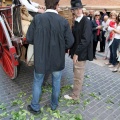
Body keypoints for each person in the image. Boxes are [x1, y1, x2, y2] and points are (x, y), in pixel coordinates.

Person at [26, 0, 74, 114]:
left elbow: (29, 38)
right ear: (57, 5)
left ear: (46, 5)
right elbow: (70, 42)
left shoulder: (37, 19)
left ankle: (35, 107)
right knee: (56, 82)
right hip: (57, 59)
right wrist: (61, 47)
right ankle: (53, 105)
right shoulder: (63, 21)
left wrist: (39, 43)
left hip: (41, 58)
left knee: (37, 82)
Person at [64, 0, 93, 100]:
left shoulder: (86, 21)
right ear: (73, 11)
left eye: (79, 8)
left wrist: (76, 53)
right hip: (76, 51)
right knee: (76, 71)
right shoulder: (76, 21)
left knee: (78, 74)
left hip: (81, 53)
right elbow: (75, 38)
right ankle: (77, 86)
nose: (78, 10)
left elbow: (85, 40)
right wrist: (70, 49)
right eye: (76, 9)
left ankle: (75, 95)